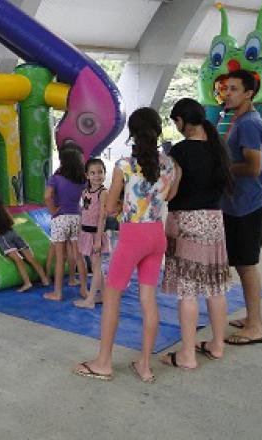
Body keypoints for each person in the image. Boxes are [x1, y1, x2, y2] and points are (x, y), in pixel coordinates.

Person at [73, 107, 176, 383]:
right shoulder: (169, 164)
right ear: (158, 130)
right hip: (157, 234)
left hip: (132, 236)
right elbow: (168, 196)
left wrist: (122, 207)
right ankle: (145, 365)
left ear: (132, 133)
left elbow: (108, 207)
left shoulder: (124, 165)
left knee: (112, 297)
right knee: (148, 300)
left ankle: (103, 363)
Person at [160, 98, 234, 369]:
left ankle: (187, 355)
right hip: (214, 221)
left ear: (181, 121)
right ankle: (217, 345)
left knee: (188, 291)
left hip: (186, 222)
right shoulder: (219, 148)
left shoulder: (179, 152)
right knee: (215, 287)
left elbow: (169, 192)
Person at [222, 70, 262, 346]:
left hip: (246, 207)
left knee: (247, 265)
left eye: (234, 89)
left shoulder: (249, 123)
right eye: (226, 88)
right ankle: (252, 317)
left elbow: (253, 167)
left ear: (249, 93)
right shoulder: (238, 120)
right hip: (235, 205)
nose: (227, 93)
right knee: (241, 264)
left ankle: (255, 326)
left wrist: (222, 168)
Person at [0, 189, 49, 291]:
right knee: (31, 258)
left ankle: (27, 283)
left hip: (2, 236)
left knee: (17, 259)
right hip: (13, 233)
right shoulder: (2, 208)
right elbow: (11, 221)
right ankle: (45, 279)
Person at [43, 148, 86, 301]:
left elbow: (47, 196)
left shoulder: (55, 178)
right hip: (76, 216)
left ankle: (58, 293)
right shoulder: (82, 180)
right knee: (78, 255)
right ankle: (83, 288)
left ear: (63, 162)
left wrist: (53, 211)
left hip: (60, 217)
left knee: (60, 258)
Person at [73, 158, 108, 309]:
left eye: (100, 172)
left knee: (96, 267)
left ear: (105, 173)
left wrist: (98, 240)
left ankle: (90, 300)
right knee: (96, 266)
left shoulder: (103, 193)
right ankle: (105, 296)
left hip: (95, 234)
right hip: (86, 233)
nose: (97, 176)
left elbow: (101, 217)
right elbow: (84, 212)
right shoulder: (85, 192)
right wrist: (80, 231)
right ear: (87, 175)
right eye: (93, 173)